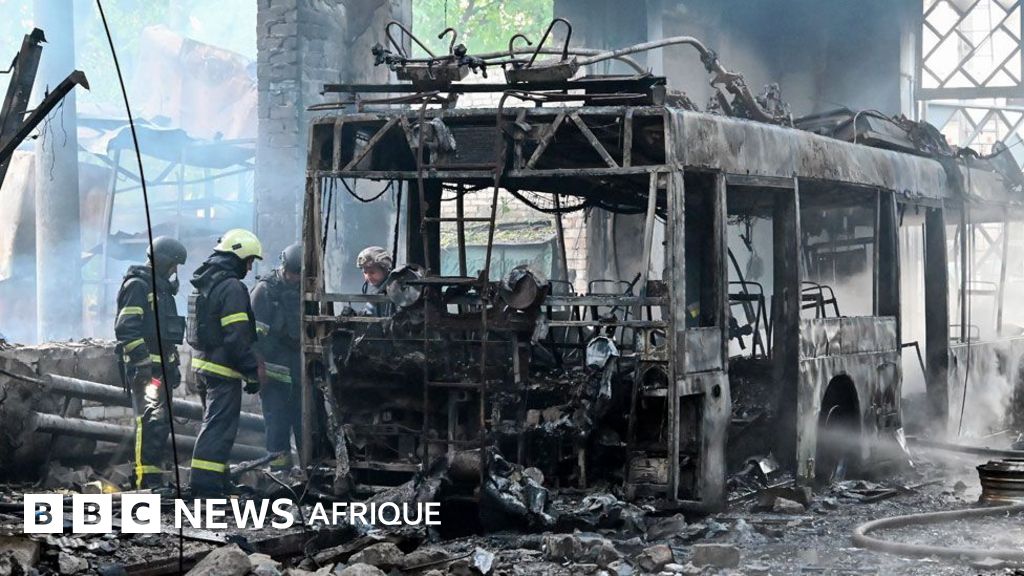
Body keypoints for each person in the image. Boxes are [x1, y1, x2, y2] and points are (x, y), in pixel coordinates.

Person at [186, 229, 267, 495]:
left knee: (216, 425)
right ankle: (205, 486)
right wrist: (251, 370)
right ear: (237, 257)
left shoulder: (208, 282)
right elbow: (236, 337)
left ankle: (218, 479)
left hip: (203, 365)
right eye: (249, 261)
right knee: (218, 428)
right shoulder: (232, 287)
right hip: (222, 369)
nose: (250, 267)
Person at [114, 236, 187, 489]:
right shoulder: (138, 286)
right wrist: (143, 362)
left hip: (161, 370)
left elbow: (166, 337)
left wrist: (173, 366)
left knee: (159, 424)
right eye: (174, 265)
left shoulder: (162, 291)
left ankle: (154, 478)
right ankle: (145, 482)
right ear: (164, 261)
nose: (175, 271)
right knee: (148, 423)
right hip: (145, 371)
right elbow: (126, 328)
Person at [251, 243, 302, 472]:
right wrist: (259, 369)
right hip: (273, 375)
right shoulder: (265, 291)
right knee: (277, 425)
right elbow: (253, 337)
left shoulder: (308, 289)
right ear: (284, 267)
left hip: (300, 375)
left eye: (299, 274)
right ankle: (280, 474)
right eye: (292, 273)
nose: (295, 278)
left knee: (306, 425)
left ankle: (312, 472)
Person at [357, 246, 394, 317]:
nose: (368, 277)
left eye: (372, 272)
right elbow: (369, 314)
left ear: (385, 270)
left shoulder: (397, 291)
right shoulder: (377, 294)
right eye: (365, 272)